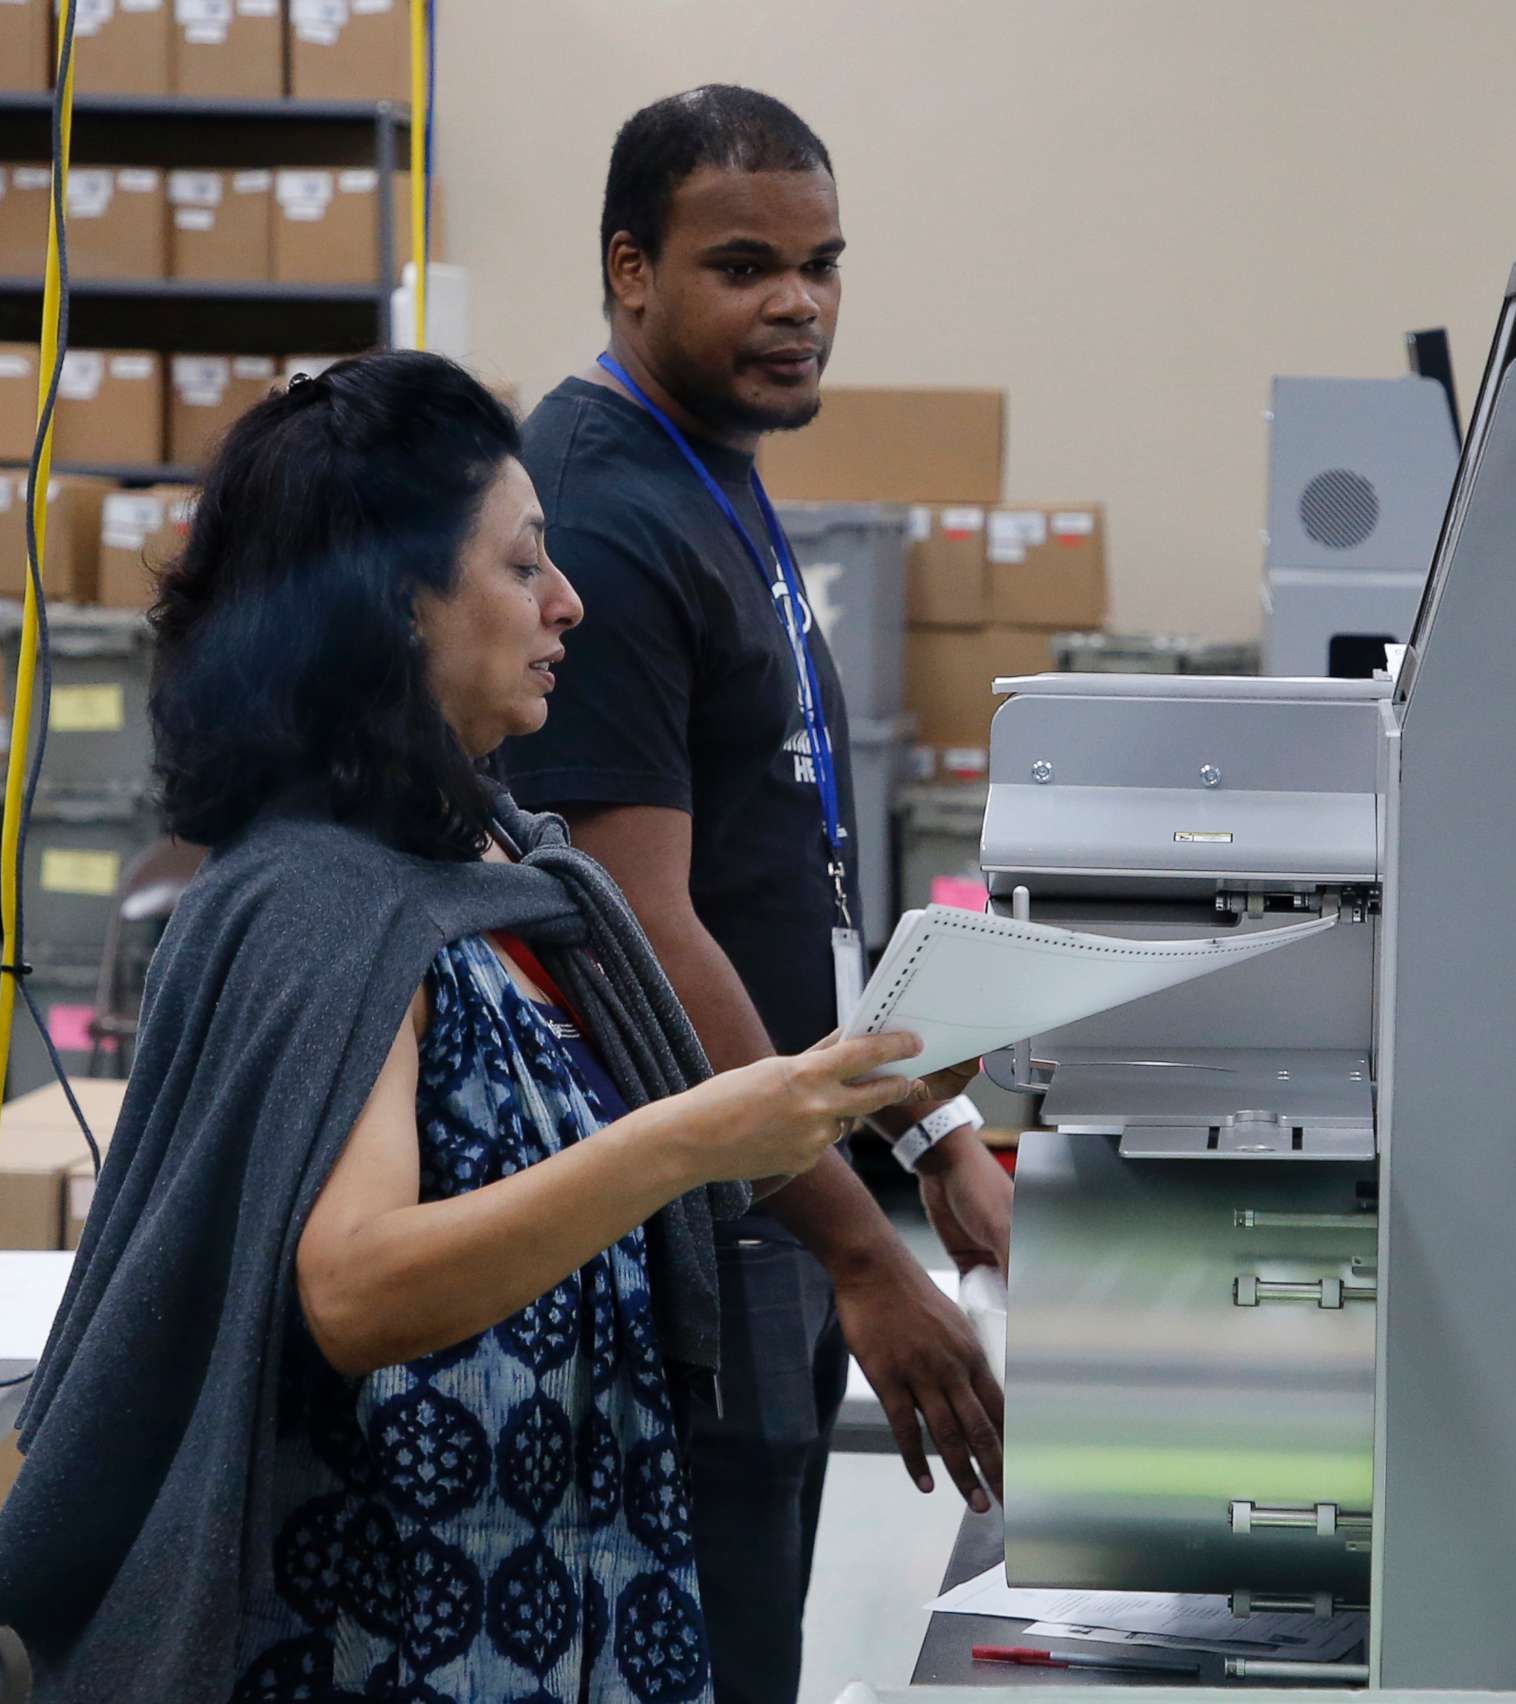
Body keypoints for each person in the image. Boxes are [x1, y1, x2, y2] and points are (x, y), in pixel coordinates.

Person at [0, 351, 949, 1704]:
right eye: (520, 566)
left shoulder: (492, 865)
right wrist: (687, 1143)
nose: (568, 602)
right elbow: (357, 1287)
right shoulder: (323, 908)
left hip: (559, 1614)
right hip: (403, 1648)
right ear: (393, 611)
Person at [495, 86, 1015, 1704]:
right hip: (699, 1210)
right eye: (744, 265)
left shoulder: (709, 463)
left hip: (787, 1166)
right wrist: (863, 1255)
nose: (797, 303)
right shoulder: (600, 498)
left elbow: (784, 884)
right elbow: (644, 926)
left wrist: (925, 1131)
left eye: (821, 264)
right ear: (629, 267)